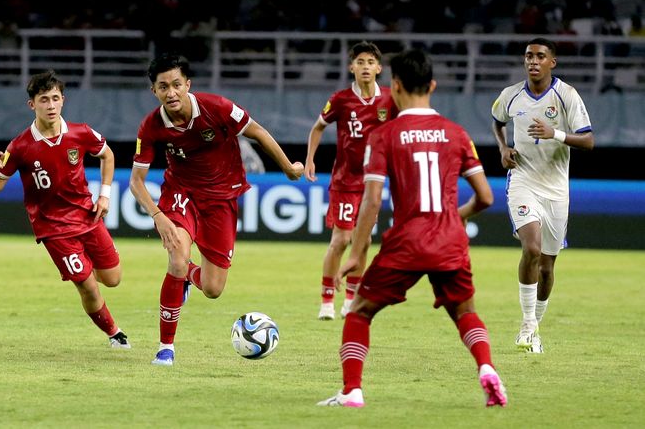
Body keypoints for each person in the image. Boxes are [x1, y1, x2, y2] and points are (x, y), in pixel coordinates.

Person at [318, 49, 507, 408]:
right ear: (433, 85)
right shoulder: (457, 133)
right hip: (449, 241)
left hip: (406, 243)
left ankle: (352, 391)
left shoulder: (385, 135)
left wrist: (356, 254)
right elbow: (485, 197)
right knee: (466, 312)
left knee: (359, 311)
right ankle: (487, 368)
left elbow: (371, 202)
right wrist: (459, 216)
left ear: (396, 86)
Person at [129, 53, 304, 366]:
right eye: (163, 86)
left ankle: (187, 278)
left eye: (176, 84)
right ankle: (165, 348)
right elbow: (136, 182)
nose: (171, 92)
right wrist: (158, 216)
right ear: (154, 91)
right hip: (181, 194)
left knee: (212, 288)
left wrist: (289, 167)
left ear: (188, 85)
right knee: (178, 256)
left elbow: (259, 132)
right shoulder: (151, 126)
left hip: (221, 199)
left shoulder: (218, 107)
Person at [0, 70, 130, 349]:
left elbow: (108, 155)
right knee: (87, 285)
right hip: (53, 228)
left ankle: (88, 268)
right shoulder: (19, 146)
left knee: (113, 279)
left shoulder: (81, 132)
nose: (50, 105)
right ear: (32, 105)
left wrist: (105, 195)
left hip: (88, 217)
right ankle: (115, 333)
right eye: (43, 100)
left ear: (63, 100)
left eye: (55, 99)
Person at [491, 38, 594, 353]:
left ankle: (536, 327)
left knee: (548, 265)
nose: (532, 61)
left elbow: (588, 141)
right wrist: (503, 147)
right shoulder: (511, 96)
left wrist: (556, 134)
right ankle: (527, 326)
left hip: (556, 189)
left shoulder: (566, 96)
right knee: (531, 248)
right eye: (528, 56)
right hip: (523, 181)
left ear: (552, 62)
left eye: (539, 56)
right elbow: (497, 122)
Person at [304, 41, 397, 320]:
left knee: (365, 240)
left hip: (373, 183)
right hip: (345, 181)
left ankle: (350, 299)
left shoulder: (390, 99)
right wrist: (310, 159)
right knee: (342, 239)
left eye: (370, 62)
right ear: (351, 67)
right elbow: (318, 127)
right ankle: (326, 300)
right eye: (360, 62)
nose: (365, 67)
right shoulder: (341, 99)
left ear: (379, 68)